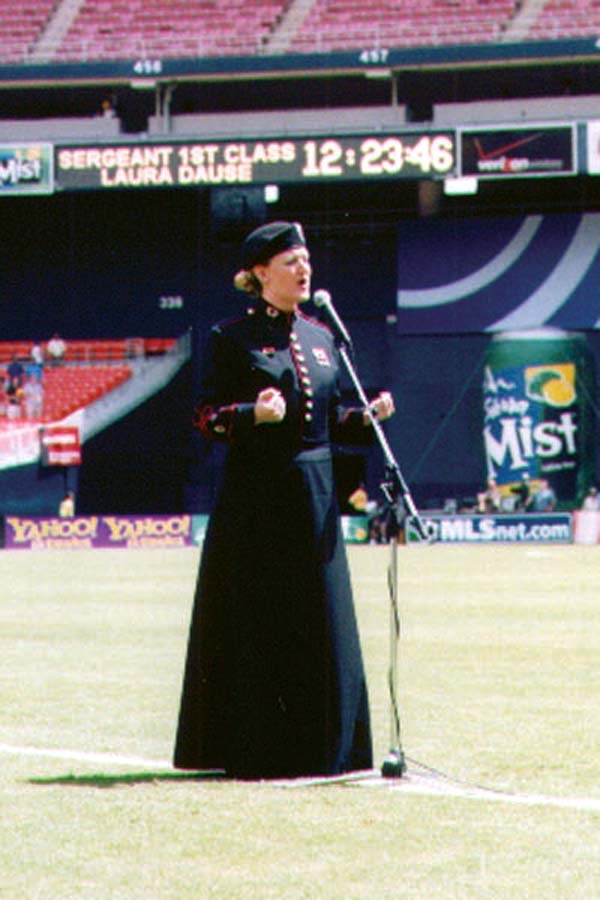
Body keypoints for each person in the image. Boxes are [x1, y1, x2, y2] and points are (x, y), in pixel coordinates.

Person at [174, 221, 395, 780]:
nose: (304, 270)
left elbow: (329, 419)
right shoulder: (230, 338)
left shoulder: (324, 338)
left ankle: (330, 750)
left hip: (315, 497)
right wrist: (252, 415)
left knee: (323, 620)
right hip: (257, 500)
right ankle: (260, 751)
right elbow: (204, 418)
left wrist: (365, 419)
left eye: (307, 260)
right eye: (292, 261)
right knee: (263, 621)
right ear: (260, 274)